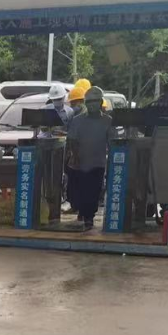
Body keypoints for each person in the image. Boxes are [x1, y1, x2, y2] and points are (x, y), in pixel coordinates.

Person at [66, 86, 113, 231]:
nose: (92, 104)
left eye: (95, 101)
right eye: (89, 102)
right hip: (80, 162)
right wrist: (75, 156)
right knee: (78, 191)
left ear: (101, 102)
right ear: (86, 103)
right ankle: (82, 212)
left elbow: (111, 142)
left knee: (93, 191)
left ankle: (89, 218)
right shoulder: (78, 120)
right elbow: (72, 140)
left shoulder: (108, 121)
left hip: (98, 162)